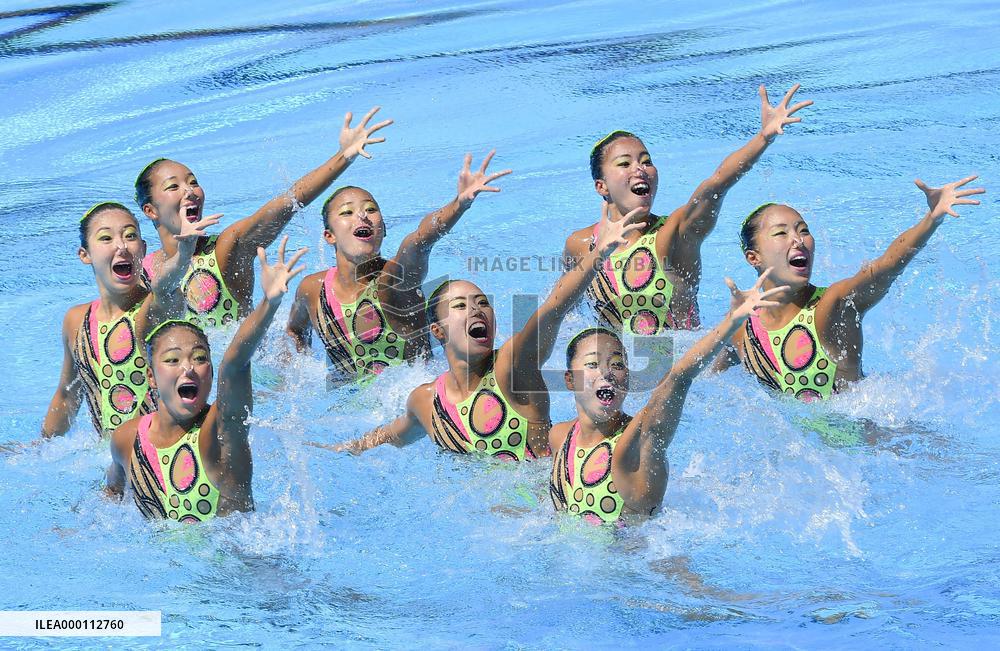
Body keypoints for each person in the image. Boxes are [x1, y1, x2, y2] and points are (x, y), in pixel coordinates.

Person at [312, 205, 647, 460]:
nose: (476, 311)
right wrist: (340, 449)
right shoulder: (426, 401)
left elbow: (553, 309)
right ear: (437, 331)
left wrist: (597, 255)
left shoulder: (512, 368)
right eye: (460, 306)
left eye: (483, 303)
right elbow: (393, 435)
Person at [563, 84, 811, 335]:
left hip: (677, 367)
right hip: (616, 370)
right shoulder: (580, 245)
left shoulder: (676, 234)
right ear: (601, 186)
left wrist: (763, 138)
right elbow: (566, 316)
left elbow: (717, 182)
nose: (640, 169)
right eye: (624, 163)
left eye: (646, 161)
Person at [714, 176, 985, 400]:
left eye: (803, 230)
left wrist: (931, 219)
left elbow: (884, 268)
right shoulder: (741, 326)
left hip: (858, 449)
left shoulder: (831, 306)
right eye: (781, 233)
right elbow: (713, 383)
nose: (797, 240)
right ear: (754, 257)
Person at [550, 272, 788, 525]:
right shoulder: (561, 437)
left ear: (627, 379)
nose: (607, 371)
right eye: (592, 364)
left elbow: (678, 377)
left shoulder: (638, 447)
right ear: (569, 380)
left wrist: (731, 322)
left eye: (617, 364)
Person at [105, 237, 306, 521]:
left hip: (236, 563)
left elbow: (234, 365)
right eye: (173, 360)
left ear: (210, 374)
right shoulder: (126, 439)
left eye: (200, 359)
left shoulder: (222, 433)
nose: (188, 368)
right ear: (151, 376)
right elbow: (111, 495)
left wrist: (269, 303)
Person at [134, 106, 390, 327]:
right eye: (173, 187)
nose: (190, 191)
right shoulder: (142, 272)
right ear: (150, 210)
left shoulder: (227, 249)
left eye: (193, 182)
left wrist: (344, 157)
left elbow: (289, 201)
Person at [286, 151, 511, 383]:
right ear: (329, 236)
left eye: (371, 210)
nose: (362, 215)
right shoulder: (312, 289)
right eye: (347, 212)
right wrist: (294, 378)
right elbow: (294, 332)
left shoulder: (394, 283)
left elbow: (420, 240)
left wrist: (459, 205)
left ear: (382, 229)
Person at [41, 202, 218, 439]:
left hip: (159, 454)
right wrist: (41, 447)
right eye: (106, 238)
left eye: (130, 236)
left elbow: (164, 288)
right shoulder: (76, 320)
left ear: (143, 250)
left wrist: (183, 254)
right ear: (85, 255)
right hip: (113, 458)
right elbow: (67, 394)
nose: (122, 246)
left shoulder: (151, 312)